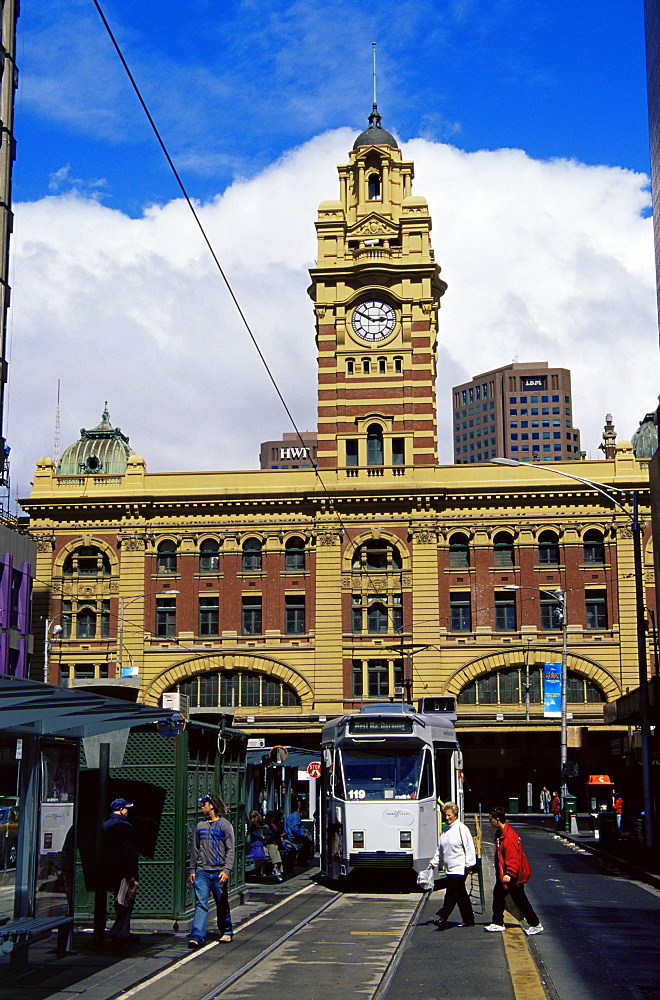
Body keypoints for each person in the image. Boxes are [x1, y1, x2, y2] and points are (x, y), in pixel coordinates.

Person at [485, 805, 543, 936]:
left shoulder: (508, 838)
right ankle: (499, 922)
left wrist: (509, 874)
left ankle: (534, 923)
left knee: (519, 899)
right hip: (507, 874)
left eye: (491, 819)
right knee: (503, 896)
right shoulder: (501, 834)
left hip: (511, 875)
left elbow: (512, 858)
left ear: (497, 819)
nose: (490, 822)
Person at [189, 793, 235, 947]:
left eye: (204, 804)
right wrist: (192, 869)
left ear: (212, 806)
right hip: (202, 871)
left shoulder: (225, 825)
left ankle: (227, 930)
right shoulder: (200, 826)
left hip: (219, 871)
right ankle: (196, 936)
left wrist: (227, 870)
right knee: (201, 903)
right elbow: (195, 849)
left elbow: (230, 849)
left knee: (221, 902)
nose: (202, 806)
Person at [426, 801, 476, 930]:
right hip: (450, 868)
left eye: (449, 815)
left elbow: (469, 848)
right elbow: (440, 849)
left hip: (460, 868)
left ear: (455, 814)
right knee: (461, 895)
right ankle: (469, 919)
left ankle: (443, 917)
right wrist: (433, 863)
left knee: (451, 893)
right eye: (445, 815)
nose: (447, 818)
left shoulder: (461, 829)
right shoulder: (446, 830)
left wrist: (470, 865)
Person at [100, 797, 139, 948]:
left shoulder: (106, 826)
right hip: (124, 871)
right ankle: (121, 932)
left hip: (110, 869)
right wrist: (131, 873)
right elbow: (129, 852)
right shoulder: (125, 827)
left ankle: (117, 930)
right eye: (127, 808)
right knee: (125, 901)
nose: (128, 811)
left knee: (118, 900)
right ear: (122, 809)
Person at [263, 811, 284, 881]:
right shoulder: (266, 826)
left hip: (274, 843)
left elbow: (278, 832)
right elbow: (266, 837)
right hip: (269, 844)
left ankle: (277, 870)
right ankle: (276, 869)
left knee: (277, 854)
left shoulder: (274, 825)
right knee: (274, 849)